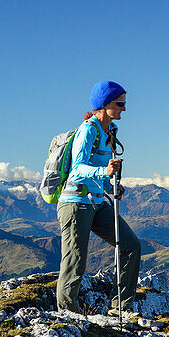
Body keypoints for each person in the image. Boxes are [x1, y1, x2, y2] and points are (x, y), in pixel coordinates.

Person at [56, 80, 142, 315]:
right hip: (75, 204)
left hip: (96, 202)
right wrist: (105, 172)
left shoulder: (109, 131)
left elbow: (98, 169)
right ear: (105, 105)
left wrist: (111, 185)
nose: (124, 108)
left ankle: (120, 307)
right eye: (120, 103)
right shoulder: (88, 130)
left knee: (131, 246)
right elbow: (77, 169)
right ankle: (69, 316)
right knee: (75, 261)